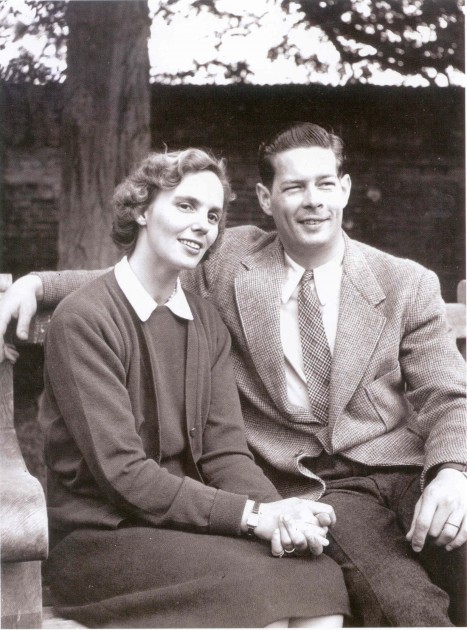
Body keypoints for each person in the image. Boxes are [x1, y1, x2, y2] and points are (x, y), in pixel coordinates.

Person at [1, 123, 466, 627]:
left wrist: (452, 471)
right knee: (400, 606)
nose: (313, 200)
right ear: (266, 198)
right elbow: (135, 274)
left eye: (325, 184)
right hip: (312, 489)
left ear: (345, 189)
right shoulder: (227, 263)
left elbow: (449, 395)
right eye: (294, 186)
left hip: (409, 471)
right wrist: (38, 284)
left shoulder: (405, 282)